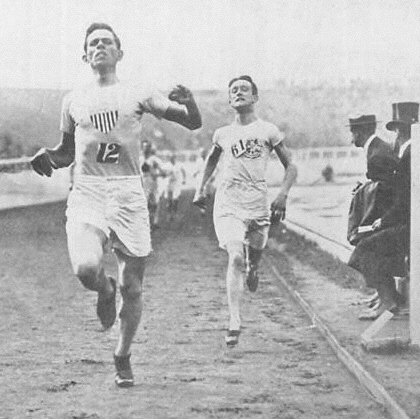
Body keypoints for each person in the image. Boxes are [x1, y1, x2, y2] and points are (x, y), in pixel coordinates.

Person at [30, 23, 201, 387]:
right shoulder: (73, 100)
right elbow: (65, 152)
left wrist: (190, 102)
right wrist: (48, 156)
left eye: (107, 42)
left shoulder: (138, 92)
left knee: (133, 287)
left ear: (119, 53)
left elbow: (192, 122)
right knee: (85, 268)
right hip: (88, 190)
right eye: (93, 43)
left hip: (128, 193)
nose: (100, 46)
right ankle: (104, 291)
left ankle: (122, 355)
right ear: (85, 55)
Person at [193, 75, 297, 346]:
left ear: (255, 97)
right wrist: (200, 189)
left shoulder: (268, 131)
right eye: (234, 90)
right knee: (236, 256)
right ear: (230, 100)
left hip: (258, 201)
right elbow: (211, 161)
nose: (238, 93)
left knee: (254, 253)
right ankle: (234, 321)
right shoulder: (222, 134)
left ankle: (255, 267)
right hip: (228, 201)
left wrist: (283, 195)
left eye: (244, 89)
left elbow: (291, 166)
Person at [348, 102, 420, 320]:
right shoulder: (419, 153)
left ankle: (389, 302)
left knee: (366, 247)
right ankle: (390, 298)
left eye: (395, 133)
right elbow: (407, 200)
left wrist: (382, 222)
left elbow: (404, 202)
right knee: (376, 241)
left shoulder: (412, 157)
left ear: (398, 131)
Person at [346, 114, 398, 318]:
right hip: (391, 215)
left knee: (365, 247)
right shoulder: (377, 149)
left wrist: (369, 224)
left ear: (359, 133)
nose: (352, 139)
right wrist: (366, 187)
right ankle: (383, 295)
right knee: (367, 241)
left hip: (390, 218)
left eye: (353, 134)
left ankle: (388, 301)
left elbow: (385, 192)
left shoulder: (377, 154)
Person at [140, 139, 165, 229]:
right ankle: (145, 221)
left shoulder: (154, 159)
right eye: (144, 147)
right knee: (144, 202)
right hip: (143, 181)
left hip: (153, 181)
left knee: (155, 202)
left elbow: (162, 172)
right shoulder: (140, 159)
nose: (146, 149)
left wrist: (158, 174)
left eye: (147, 147)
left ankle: (154, 221)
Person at [164, 153, 186, 221]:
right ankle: (169, 214)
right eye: (170, 158)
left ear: (175, 158)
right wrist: (166, 175)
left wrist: (184, 179)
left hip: (176, 184)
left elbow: (183, 171)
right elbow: (162, 173)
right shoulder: (166, 165)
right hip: (169, 184)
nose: (172, 159)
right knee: (169, 200)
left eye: (173, 157)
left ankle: (174, 214)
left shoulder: (179, 165)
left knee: (175, 199)